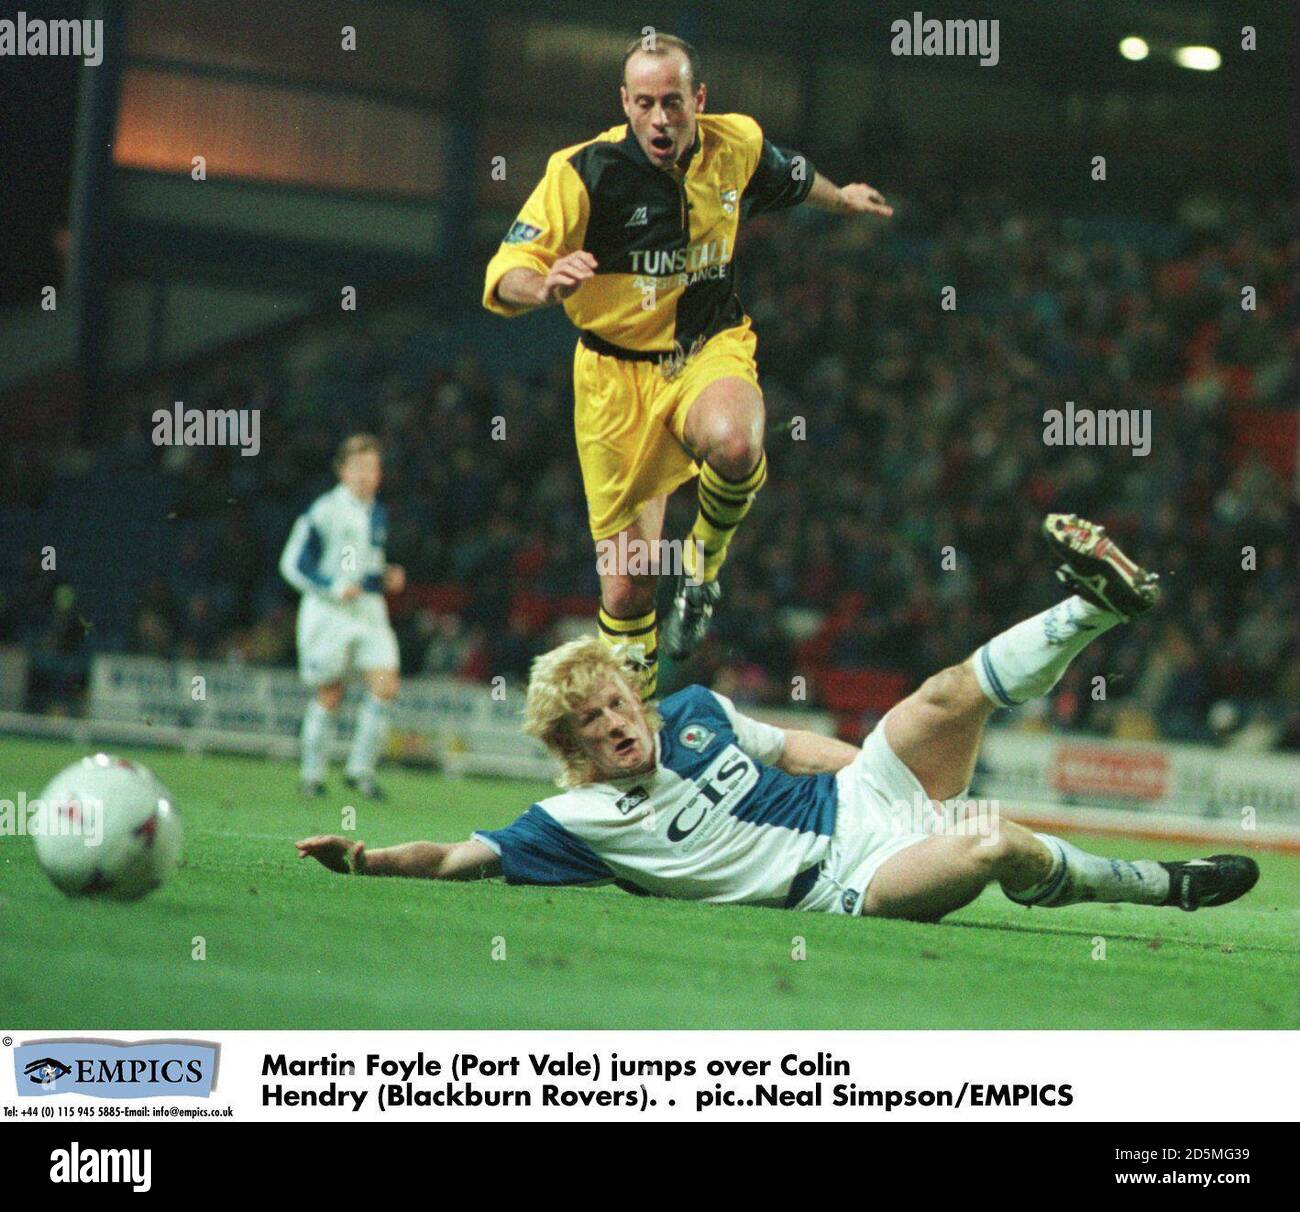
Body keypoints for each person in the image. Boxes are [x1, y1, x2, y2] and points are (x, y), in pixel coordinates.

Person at [298, 515, 1259, 919]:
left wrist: (882, 774)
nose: (622, 722)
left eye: (620, 700)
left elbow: (793, 743)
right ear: (571, 748)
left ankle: (1098, 604)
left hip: (865, 798)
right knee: (990, 841)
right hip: (847, 877)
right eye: (595, 721)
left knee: (939, 696)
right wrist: (370, 858)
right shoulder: (573, 824)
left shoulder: (693, 710)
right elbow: (459, 859)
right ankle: (1157, 887)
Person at [482, 31, 893, 697]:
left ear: (698, 98)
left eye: (673, 101)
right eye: (644, 103)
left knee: (735, 444)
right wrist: (547, 284)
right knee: (626, 582)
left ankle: (702, 566)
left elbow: (790, 177)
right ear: (625, 102)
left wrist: (841, 197)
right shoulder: (581, 172)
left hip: (706, 347)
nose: (660, 118)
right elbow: (505, 273)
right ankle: (638, 744)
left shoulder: (736, 144)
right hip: (614, 383)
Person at [279, 434, 405, 799]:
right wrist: (333, 587)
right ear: (342, 471)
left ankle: (360, 771)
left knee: (386, 685)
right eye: (359, 467)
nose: (367, 475)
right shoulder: (324, 511)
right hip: (329, 612)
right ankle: (312, 775)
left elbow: (366, 565)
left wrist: (385, 577)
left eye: (373, 468)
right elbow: (292, 563)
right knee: (330, 692)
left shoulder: (377, 511)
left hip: (367, 608)